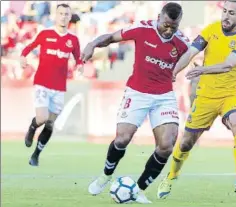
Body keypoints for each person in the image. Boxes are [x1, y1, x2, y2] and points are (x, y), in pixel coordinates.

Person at [82, 2, 189, 204]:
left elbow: (191, 56)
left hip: (164, 97)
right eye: (166, 24)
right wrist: (92, 44)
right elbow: (112, 37)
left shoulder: (182, 42)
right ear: (159, 17)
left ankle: (138, 189)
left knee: (166, 146)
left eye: (173, 27)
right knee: (122, 139)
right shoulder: (142, 29)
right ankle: (106, 175)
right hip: (137, 92)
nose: (168, 29)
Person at [157, 1, 236, 198]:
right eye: (224, 11)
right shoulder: (211, 30)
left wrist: (203, 69)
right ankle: (171, 176)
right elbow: (191, 52)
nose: (226, 16)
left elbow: (228, 65)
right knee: (185, 144)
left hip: (231, 95)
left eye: (232, 13)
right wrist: (173, 73)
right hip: (205, 98)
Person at [20, 3, 83, 166]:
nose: (63, 16)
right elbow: (29, 47)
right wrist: (23, 56)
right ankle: (32, 127)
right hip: (42, 83)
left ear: (70, 17)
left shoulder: (73, 40)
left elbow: (78, 59)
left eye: (66, 14)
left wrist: (81, 66)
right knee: (42, 117)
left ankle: (36, 155)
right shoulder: (45, 34)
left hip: (59, 87)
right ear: (55, 16)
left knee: (50, 123)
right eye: (60, 13)